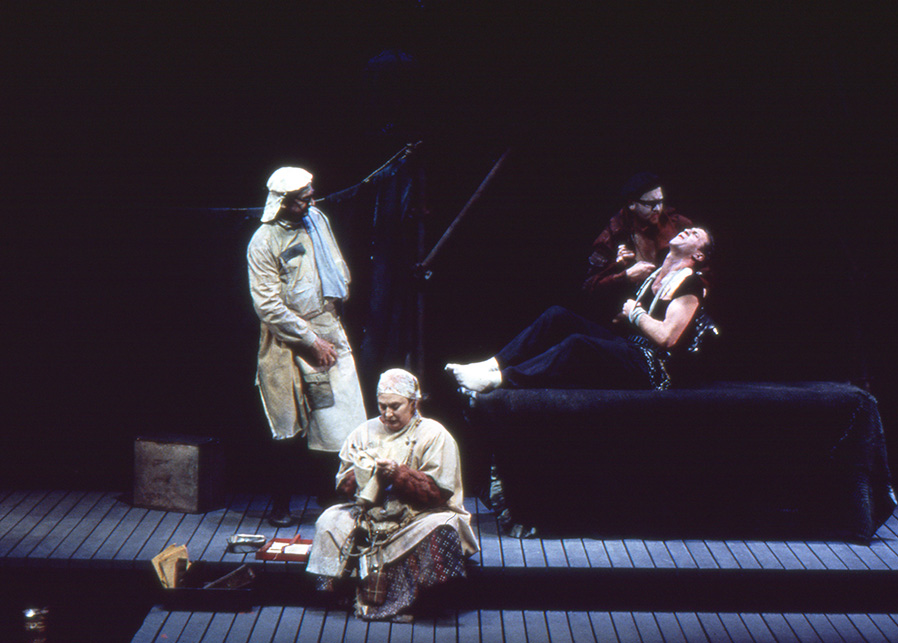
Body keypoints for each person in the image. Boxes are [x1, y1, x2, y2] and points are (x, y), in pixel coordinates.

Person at [447, 227, 713, 392]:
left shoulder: (690, 283)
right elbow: (621, 313)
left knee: (578, 344)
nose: (687, 231)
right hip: (631, 345)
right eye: (689, 229)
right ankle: (492, 365)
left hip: (654, 367)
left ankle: (501, 380)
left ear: (699, 256)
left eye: (695, 235)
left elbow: (668, 337)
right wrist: (626, 304)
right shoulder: (653, 273)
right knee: (558, 316)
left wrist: (636, 314)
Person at [306, 369, 479, 622]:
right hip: (371, 513)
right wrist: (363, 473)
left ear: (413, 403)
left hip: (421, 514)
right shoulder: (364, 431)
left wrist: (399, 475)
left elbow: (437, 493)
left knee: (442, 527)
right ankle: (341, 593)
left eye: (395, 406)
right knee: (329, 520)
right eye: (382, 406)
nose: (387, 413)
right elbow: (342, 487)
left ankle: (421, 600)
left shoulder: (434, 433)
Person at [248, 167, 367, 526]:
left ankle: (331, 493)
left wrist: (325, 331)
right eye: (302, 199)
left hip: (326, 324)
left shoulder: (317, 220)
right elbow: (267, 305)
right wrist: (309, 340)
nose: (310, 202)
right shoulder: (263, 241)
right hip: (286, 337)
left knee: (340, 417)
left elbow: (334, 266)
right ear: (283, 202)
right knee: (289, 423)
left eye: (310, 195)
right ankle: (281, 503)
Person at [582, 172, 693, 322]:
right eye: (650, 204)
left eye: (660, 201)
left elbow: (704, 266)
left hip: (673, 311)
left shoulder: (678, 225)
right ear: (632, 204)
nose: (657, 209)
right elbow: (589, 287)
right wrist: (624, 276)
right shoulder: (613, 234)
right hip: (626, 317)